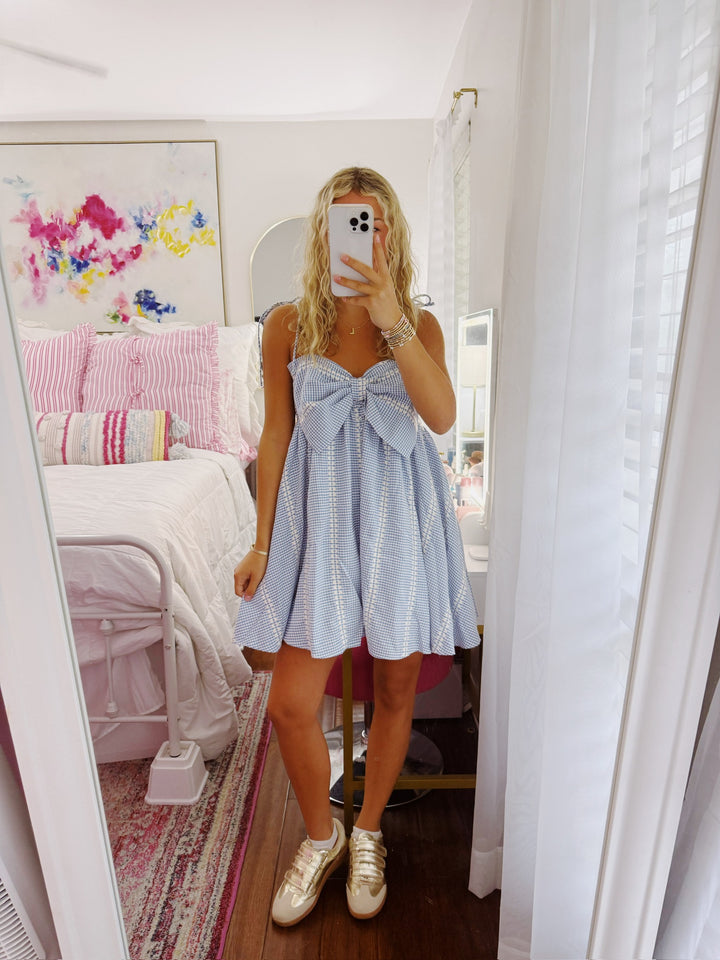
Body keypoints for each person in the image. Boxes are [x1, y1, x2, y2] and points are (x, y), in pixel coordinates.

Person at [233, 167, 479, 926]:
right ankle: (322, 836)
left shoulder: (420, 325)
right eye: (344, 221)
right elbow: (276, 434)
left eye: (370, 221)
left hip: (401, 519)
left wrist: (390, 316)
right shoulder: (287, 325)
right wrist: (261, 541)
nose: (358, 236)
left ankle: (367, 831)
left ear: (390, 231)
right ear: (324, 232)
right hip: (322, 525)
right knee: (290, 704)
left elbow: (442, 418)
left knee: (398, 691)